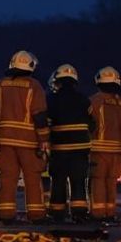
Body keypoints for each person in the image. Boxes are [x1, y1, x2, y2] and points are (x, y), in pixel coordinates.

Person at [0, 51, 50, 223]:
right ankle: (36, 215)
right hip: (29, 142)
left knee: (7, 178)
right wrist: (44, 140)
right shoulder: (34, 86)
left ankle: (6, 214)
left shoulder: (1, 85)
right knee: (32, 178)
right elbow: (40, 116)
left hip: (5, 141)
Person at [46, 64, 91, 222]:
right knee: (78, 181)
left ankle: (57, 213)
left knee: (58, 181)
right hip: (80, 149)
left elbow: (46, 122)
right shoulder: (84, 99)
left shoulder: (52, 99)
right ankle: (79, 213)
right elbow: (93, 123)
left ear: (58, 81)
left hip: (59, 149)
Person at [88, 66, 121, 222]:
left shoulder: (93, 101)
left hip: (97, 150)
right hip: (115, 151)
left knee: (98, 181)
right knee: (111, 183)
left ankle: (98, 214)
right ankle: (110, 212)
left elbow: (89, 124)